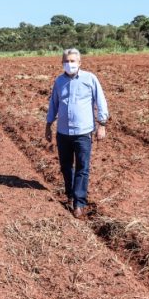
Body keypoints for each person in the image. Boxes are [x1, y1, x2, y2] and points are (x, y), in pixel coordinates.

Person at [45, 48, 108, 219]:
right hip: (63, 132)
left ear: (79, 63)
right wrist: (48, 125)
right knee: (65, 166)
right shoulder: (59, 81)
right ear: (62, 63)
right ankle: (70, 194)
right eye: (66, 61)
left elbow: (100, 101)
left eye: (73, 61)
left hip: (83, 132)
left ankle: (79, 202)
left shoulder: (90, 79)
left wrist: (102, 124)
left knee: (82, 167)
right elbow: (54, 104)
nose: (70, 64)